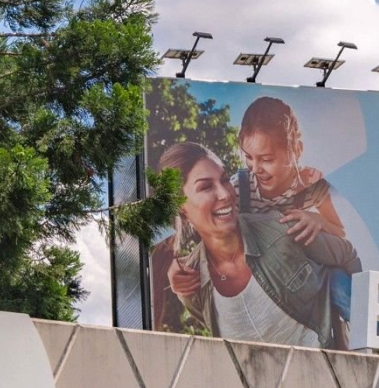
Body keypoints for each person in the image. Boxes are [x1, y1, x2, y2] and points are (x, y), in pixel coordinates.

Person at [154, 142, 360, 349]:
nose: (225, 194)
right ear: (180, 207)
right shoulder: (190, 281)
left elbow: (347, 255)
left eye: (225, 180)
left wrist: (360, 335)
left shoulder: (281, 229)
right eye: (206, 187)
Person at [236, 96, 345, 245]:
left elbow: (341, 233)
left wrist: (319, 220)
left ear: (296, 150)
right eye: (249, 157)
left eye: (267, 159)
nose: (254, 169)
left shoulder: (312, 185)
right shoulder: (238, 187)